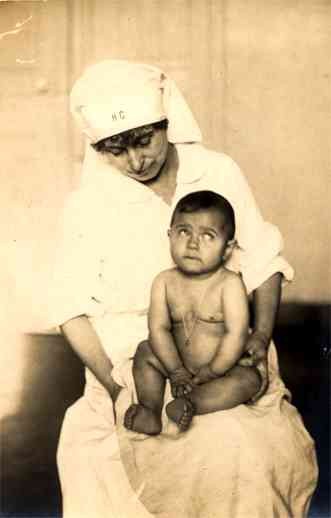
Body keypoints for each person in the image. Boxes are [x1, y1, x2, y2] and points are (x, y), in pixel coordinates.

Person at [53, 60, 317, 518]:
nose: (136, 161)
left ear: (165, 121)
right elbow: (70, 310)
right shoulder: (86, 205)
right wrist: (116, 387)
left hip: (225, 347)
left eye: (143, 140)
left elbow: (262, 263)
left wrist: (258, 338)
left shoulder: (216, 170)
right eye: (115, 150)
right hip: (127, 363)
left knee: (239, 449)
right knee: (112, 458)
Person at [124, 190, 262, 435]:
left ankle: (191, 403)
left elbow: (236, 334)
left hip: (223, 366)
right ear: (169, 236)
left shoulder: (229, 284)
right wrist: (175, 370)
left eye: (208, 236)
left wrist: (214, 370)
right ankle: (150, 410)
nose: (193, 243)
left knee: (249, 380)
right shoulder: (164, 282)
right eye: (184, 231)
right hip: (176, 362)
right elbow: (158, 329)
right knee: (145, 351)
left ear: (228, 248)